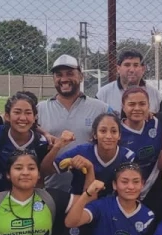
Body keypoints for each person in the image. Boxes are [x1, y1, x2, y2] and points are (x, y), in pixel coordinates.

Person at [37, 55, 110, 191]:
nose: (64, 79)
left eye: (70, 73)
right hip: (51, 189)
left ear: (81, 76)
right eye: (59, 75)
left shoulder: (101, 108)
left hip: (89, 189)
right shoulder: (40, 109)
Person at [64, 163, 155, 235]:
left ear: (142, 184)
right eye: (124, 182)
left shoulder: (148, 216)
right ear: (114, 185)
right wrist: (87, 194)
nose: (131, 187)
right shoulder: (102, 205)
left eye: (136, 182)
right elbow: (70, 222)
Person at [118, 86, 162, 219]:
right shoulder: (115, 130)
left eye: (142, 104)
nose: (137, 108)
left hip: (153, 187)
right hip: (124, 189)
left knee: (154, 229)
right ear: (123, 106)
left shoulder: (156, 121)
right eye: (131, 104)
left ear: (149, 106)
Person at [45, 112, 136, 196]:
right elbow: (46, 170)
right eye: (103, 131)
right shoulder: (81, 152)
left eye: (114, 131)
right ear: (95, 135)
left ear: (119, 135)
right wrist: (57, 146)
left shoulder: (127, 157)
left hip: (111, 206)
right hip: (79, 203)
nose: (108, 136)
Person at [96, 49, 162, 113]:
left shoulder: (155, 95)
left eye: (136, 65)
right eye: (127, 65)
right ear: (118, 69)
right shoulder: (103, 94)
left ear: (143, 69)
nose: (132, 70)